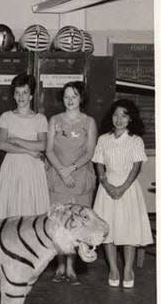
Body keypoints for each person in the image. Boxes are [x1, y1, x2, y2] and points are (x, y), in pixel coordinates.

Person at [92, 99, 153, 289]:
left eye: (124, 116)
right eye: (116, 115)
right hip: (106, 189)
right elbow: (99, 164)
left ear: (130, 119)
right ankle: (113, 269)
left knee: (129, 231)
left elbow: (136, 167)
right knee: (107, 230)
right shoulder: (103, 139)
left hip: (128, 190)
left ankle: (127, 269)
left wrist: (122, 187)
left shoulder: (135, 140)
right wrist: (106, 183)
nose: (119, 119)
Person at [46, 81, 97, 285]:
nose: (70, 100)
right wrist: (61, 170)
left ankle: (71, 267)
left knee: (77, 223)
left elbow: (90, 151)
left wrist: (71, 169)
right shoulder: (55, 120)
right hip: (58, 175)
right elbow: (49, 150)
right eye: (66, 96)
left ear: (81, 99)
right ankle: (59, 266)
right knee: (59, 221)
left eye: (74, 96)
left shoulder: (89, 122)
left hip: (80, 176)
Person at [0, 73, 50, 219]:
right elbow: (2, 144)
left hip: (33, 169)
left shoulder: (40, 119)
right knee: (12, 209)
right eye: (17, 93)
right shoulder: (6, 117)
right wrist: (29, 151)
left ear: (31, 95)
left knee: (32, 209)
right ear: (13, 95)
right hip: (12, 166)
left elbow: (42, 145)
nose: (21, 97)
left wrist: (17, 139)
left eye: (25, 93)